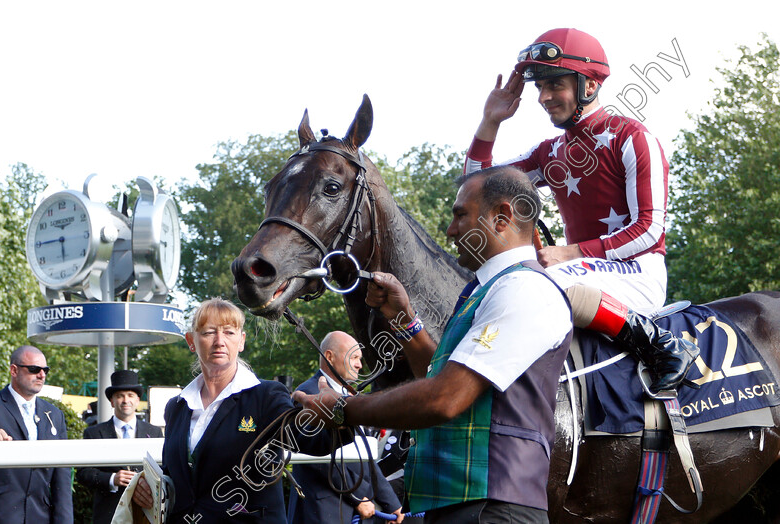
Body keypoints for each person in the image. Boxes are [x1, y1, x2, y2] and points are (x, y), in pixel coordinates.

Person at [294, 166, 573, 523]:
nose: (450, 230)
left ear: (502, 217)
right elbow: (438, 376)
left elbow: (444, 397)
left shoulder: (522, 289)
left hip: (494, 510)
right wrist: (403, 318)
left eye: (460, 215)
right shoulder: (486, 291)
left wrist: (342, 410)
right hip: (467, 507)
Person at [463, 27, 698, 393]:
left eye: (554, 84)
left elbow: (650, 230)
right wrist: (490, 121)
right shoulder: (549, 152)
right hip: (584, 271)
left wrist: (570, 253)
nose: (543, 97)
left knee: (541, 283)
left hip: (637, 272)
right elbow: (476, 190)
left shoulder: (633, 138)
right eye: (540, 86)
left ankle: (663, 346)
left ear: (588, 86)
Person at [131, 298, 346, 523]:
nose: (219, 341)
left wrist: (338, 413)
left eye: (229, 332)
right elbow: (173, 475)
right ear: (191, 341)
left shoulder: (267, 396)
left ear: (241, 341)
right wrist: (148, 487)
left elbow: (313, 440)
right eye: (208, 332)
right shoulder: (176, 406)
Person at [287, 331, 404, 524]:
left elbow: (364, 457)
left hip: (355, 511)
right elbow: (315, 456)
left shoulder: (349, 398)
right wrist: (357, 497)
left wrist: (392, 503)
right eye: (354, 357)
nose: (359, 364)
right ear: (330, 357)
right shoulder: (308, 395)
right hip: (321, 512)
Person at [0, 345, 72, 523]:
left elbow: (62, 478)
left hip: (39, 517)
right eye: (34, 369)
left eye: (45, 370)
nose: (42, 375)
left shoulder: (54, 414)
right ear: (14, 370)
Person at [76, 370, 163, 524]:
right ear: (112, 401)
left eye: (130, 395)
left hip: (145, 514)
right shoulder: (94, 432)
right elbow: (83, 473)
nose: (125, 400)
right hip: (109, 513)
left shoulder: (154, 432)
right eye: (119, 396)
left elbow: (163, 471)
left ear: (137, 400)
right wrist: (112, 479)